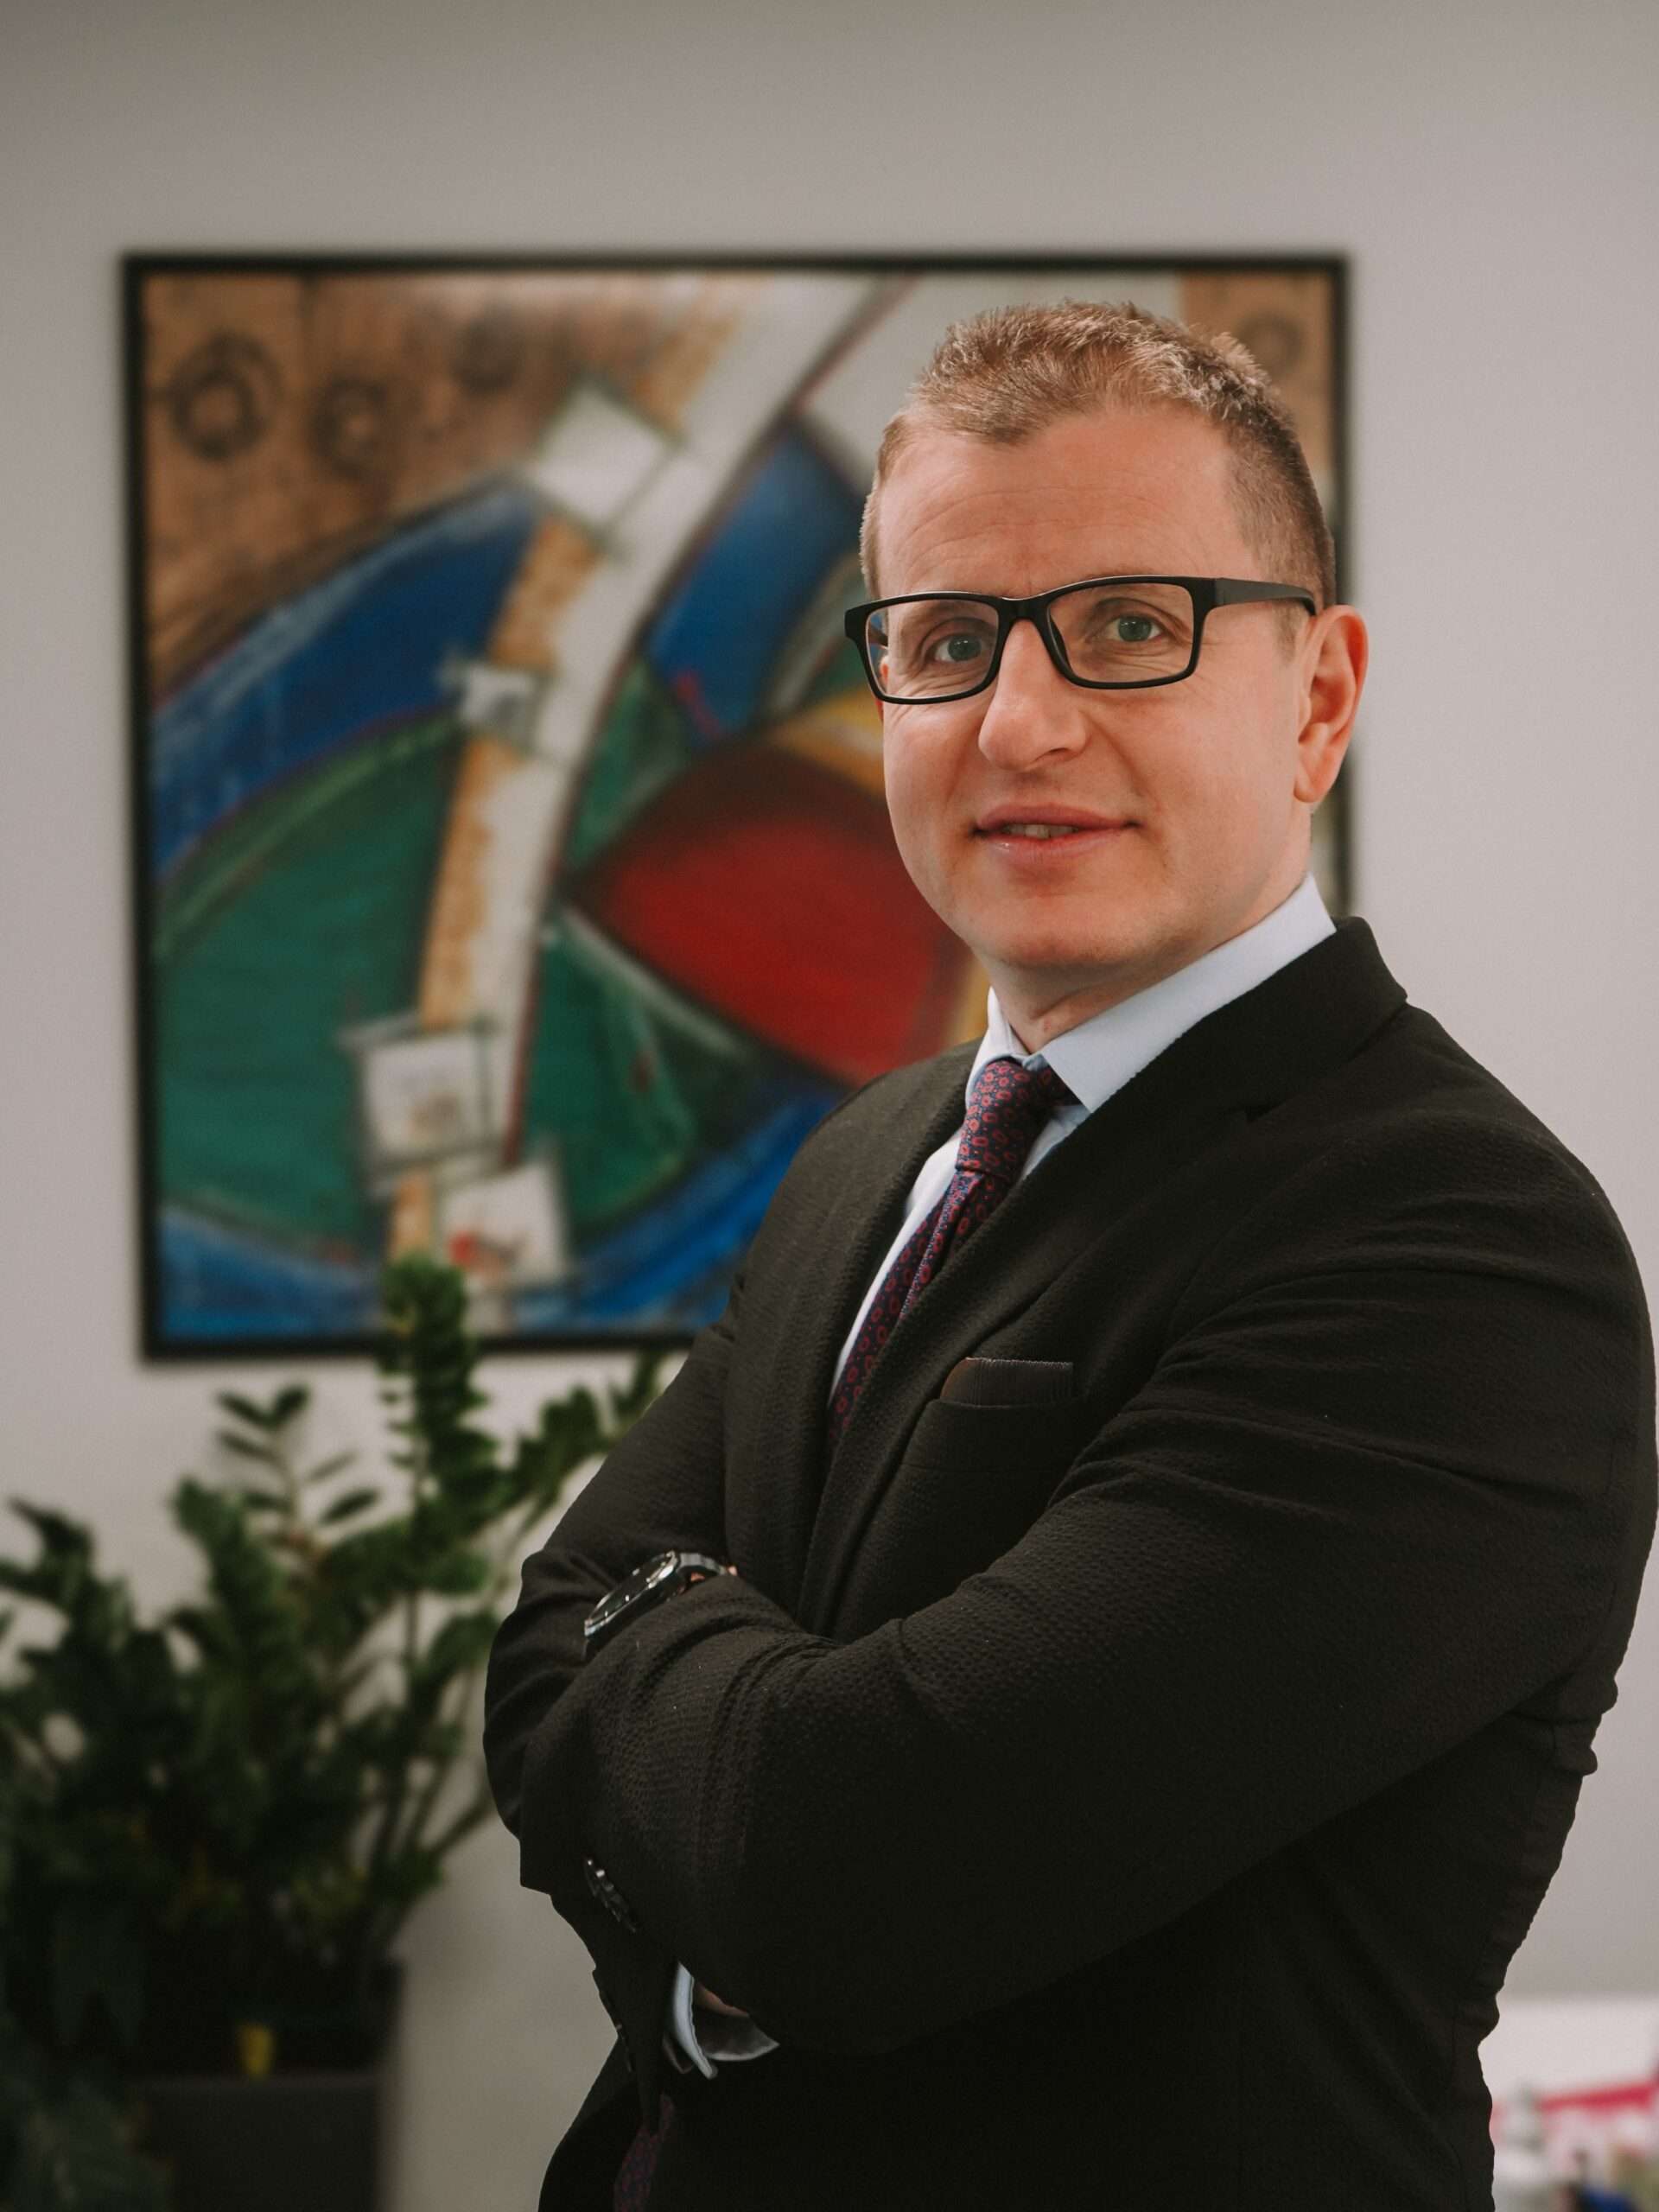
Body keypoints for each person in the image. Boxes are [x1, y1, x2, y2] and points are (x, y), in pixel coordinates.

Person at [482, 300, 1656, 2211]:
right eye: (948, 641)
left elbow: (841, 1864)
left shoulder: (1460, 1251)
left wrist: (712, 1767)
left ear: (1320, 698)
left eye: (1128, 624)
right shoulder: (873, 1156)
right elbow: (541, 1647)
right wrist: (737, 1881)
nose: (1020, 721)